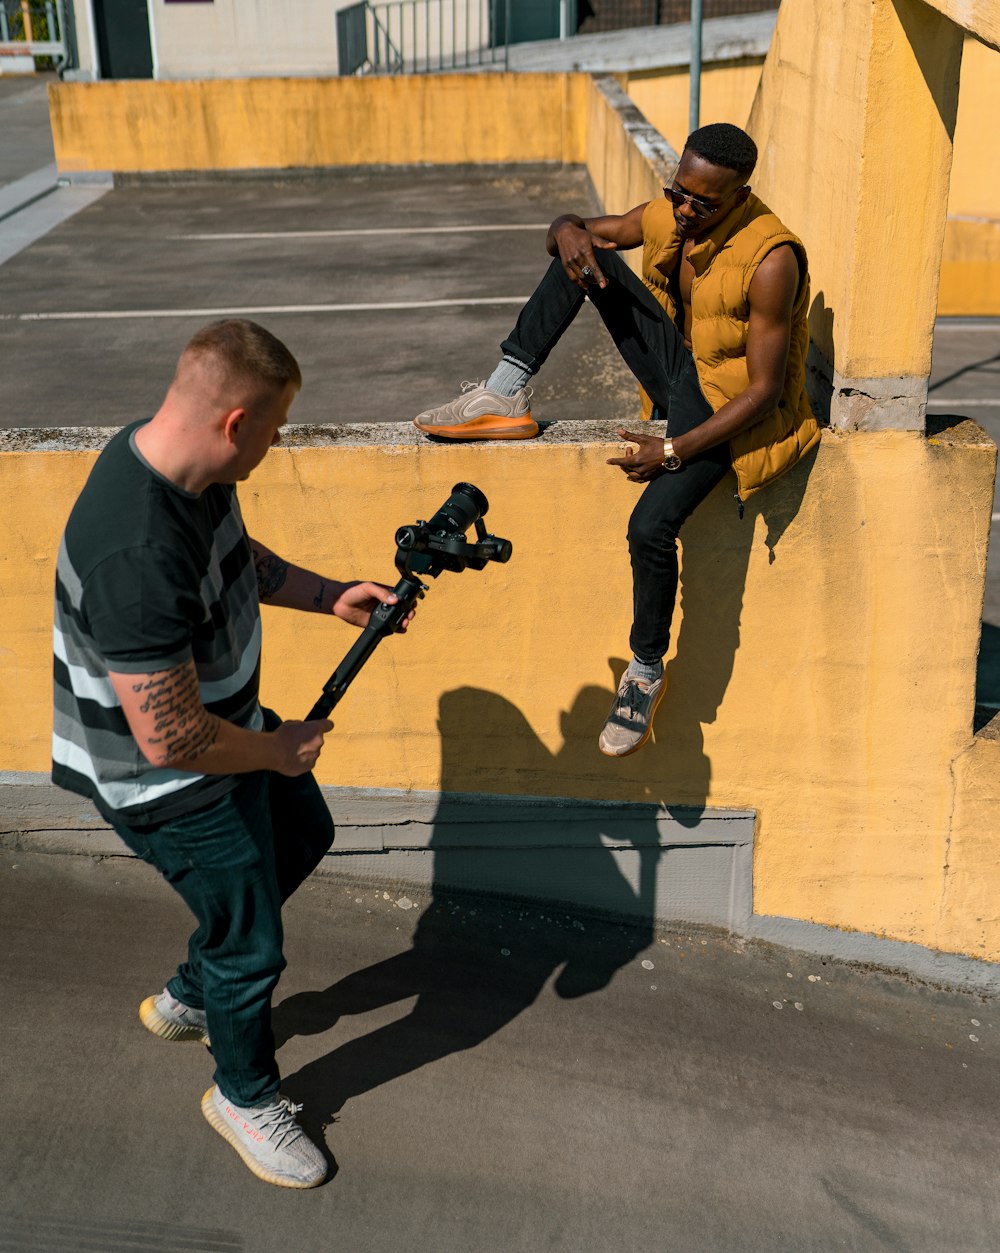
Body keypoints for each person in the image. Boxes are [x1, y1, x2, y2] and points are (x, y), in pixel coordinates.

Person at [52, 319, 414, 1189]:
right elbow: (169, 736)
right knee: (252, 945)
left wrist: (330, 596)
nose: (279, 444)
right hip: (166, 781)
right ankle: (244, 1097)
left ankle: (190, 994)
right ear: (236, 422)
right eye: (278, 428)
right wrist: (278, 749)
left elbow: (236, 558)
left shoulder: (185, 466)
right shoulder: (135, 548)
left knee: (303, 834)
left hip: (226, 728)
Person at [413, 122, 820, 758]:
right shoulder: (671, 216)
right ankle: (503, 391)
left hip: (731, 411)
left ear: (741, 195)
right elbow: (571, 234)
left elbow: (763, 392)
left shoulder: (771, 261)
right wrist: (567, 226)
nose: (686, 210)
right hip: (684, 372)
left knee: (649, 527)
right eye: (679, 192)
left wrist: (675, 450)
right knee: (589, 257)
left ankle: (645, 668)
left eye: (704, 203)